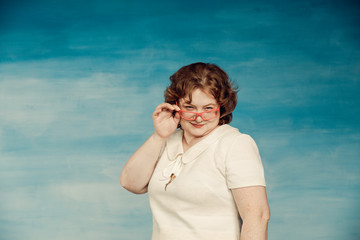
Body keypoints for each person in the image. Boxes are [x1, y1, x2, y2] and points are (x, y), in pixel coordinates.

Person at [120, 62, 270, 240]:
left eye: (208, 108)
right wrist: (158, 136)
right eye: (190, 107)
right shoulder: (167, 140)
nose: (198, 117)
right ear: (176, 105)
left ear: (221, 107)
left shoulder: (235, 144)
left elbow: (257, 216)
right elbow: (131, 183)